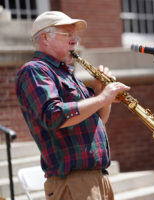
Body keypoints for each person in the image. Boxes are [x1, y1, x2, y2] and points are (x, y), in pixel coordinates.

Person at [15, 11, 130, 200]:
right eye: (67, 35)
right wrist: (102, 98)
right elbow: (53, 116)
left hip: (96, 178)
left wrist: (102, 93)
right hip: (72, 182)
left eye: (74, 36)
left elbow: (99, 120)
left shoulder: (65, 73)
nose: (74, 41)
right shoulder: (34, 70)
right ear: (45, 38)